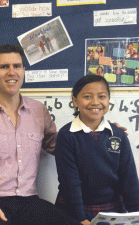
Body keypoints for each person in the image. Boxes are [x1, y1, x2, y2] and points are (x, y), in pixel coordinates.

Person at [0, 43, 81, 225]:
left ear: (23, 70)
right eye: (3, 67)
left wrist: (96, 129)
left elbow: (62, 147)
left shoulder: (39, 111)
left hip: (29, 202)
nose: (11, 72)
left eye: (16, 66)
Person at [55, 75, 139, 225]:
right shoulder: (66, 135)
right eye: (87, 96)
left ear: (108, 99)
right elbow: (70, 183)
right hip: (75, 210)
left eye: (102, 96)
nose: (95, 102)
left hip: (112, 210)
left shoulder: (118, 134)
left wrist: (136, 214)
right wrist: (81, 218)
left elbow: (130, 179)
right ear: (75, 101)